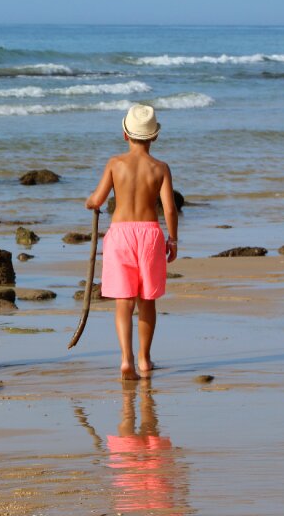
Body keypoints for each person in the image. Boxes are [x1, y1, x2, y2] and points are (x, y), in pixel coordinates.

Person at [86, 105, 178, 380]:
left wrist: (90, 202)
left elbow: (98, 198)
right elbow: (170, 209)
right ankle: (145, 360)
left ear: (125, 134)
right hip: (150, 234)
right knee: (147, 301)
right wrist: (172, 239)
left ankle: (126, 359)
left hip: (120, 235)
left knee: (123, 301)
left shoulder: (115, 164)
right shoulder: (160, 168)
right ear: (155, 137)